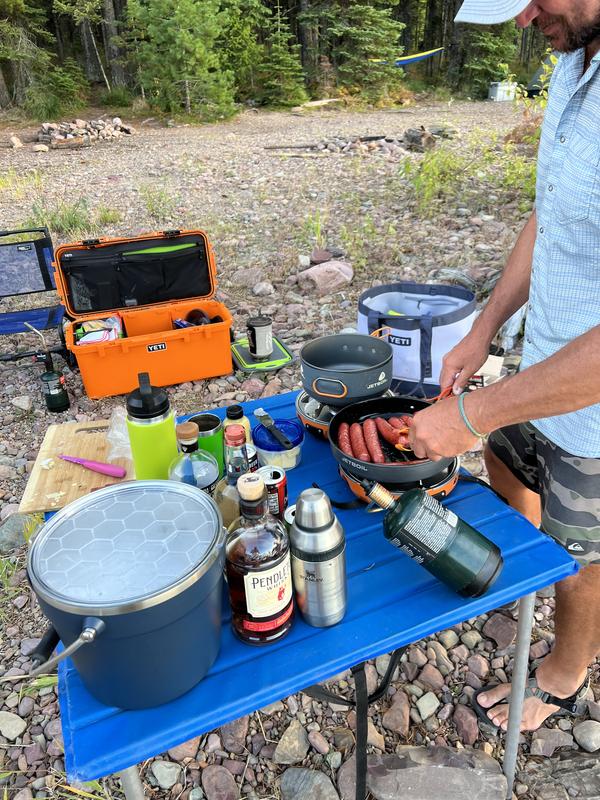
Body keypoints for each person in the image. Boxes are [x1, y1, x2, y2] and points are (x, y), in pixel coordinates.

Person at [408, 0, 600, 733]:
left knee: (585, 553)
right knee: (509, 465)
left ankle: (564, 672)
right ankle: (520, 595)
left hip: (593, 403)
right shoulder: (572, 61)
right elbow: (548, 210)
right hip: (540, 359)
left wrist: (466, 413)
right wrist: (485, 329)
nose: (522, 20)